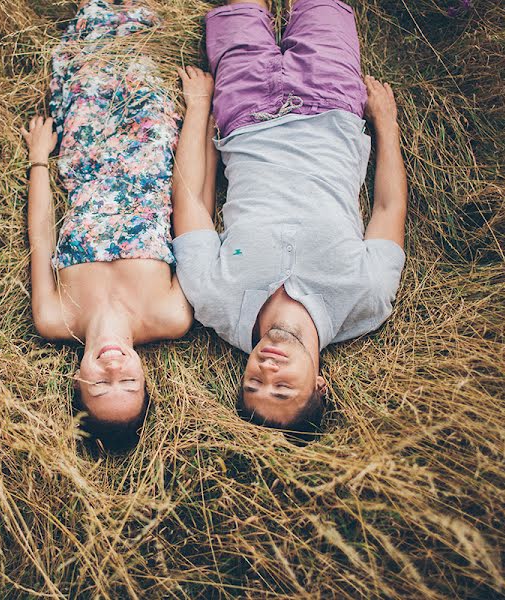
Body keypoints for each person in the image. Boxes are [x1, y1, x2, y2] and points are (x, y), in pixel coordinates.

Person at [172, 0, 408, 436]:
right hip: (333, 106)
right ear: (321, 384)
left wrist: (199, 107)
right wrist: (386, 125)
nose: (267, 370)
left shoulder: (214, 302)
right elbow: (388, 209)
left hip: (243, 112)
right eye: (283, 388)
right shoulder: (366, 299)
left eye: (253, 383)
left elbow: (189, 202)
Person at [21, 0, 216, 451]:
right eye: (128, 386)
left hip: (84, 160)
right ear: (146, 379)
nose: (114, 372)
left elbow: (41, 239)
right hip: (149, 147)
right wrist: (201, 121)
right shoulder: (171, 316)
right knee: (138, 48)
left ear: (76, 381)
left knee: (89, 62)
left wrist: (37, 160)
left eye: (99, 387)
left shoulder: (55, 319)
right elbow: (196, 213)